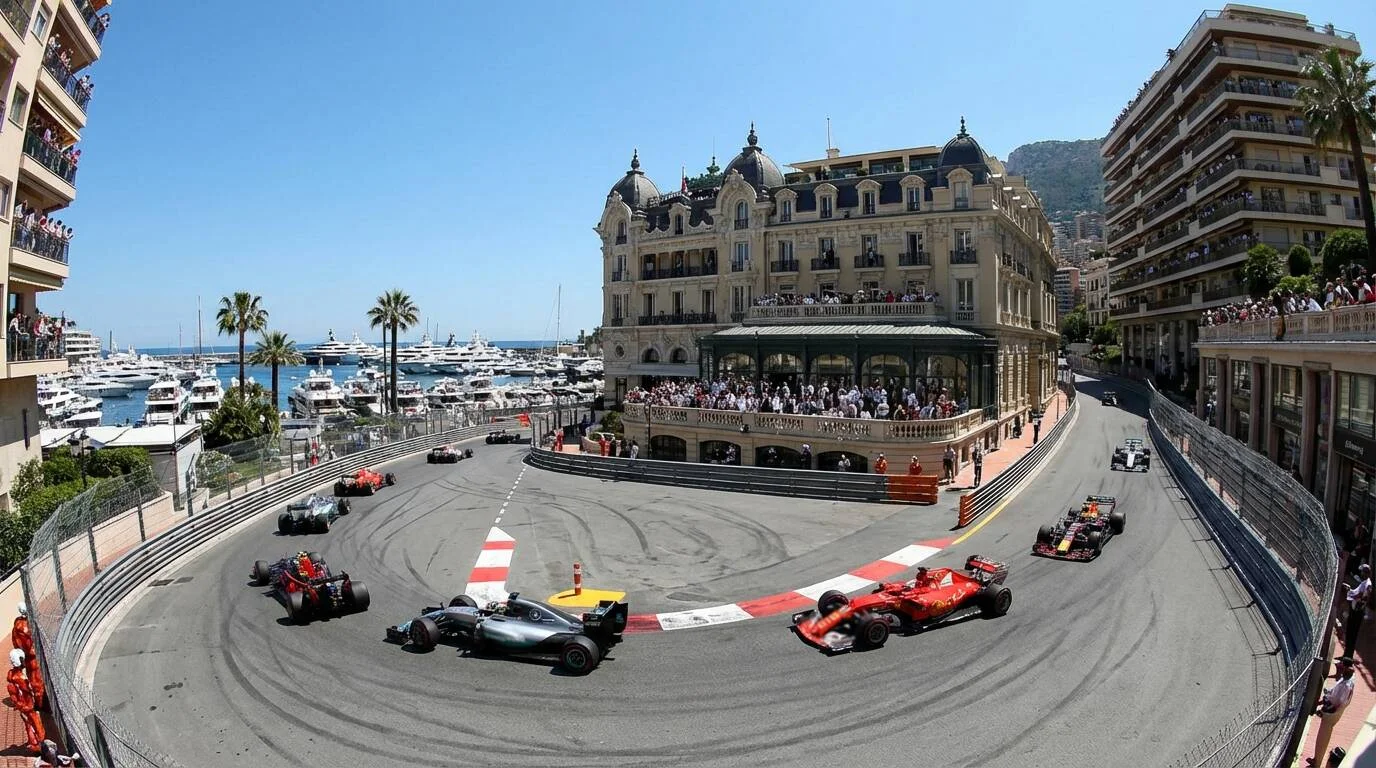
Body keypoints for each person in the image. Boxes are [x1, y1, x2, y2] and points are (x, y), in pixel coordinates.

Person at [1310, 657, 1357, 766]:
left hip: (1331, 713)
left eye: (1341, 666)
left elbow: (1336, 702)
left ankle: (1317, 763)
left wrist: (1324, 707)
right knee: (1321, 737)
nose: (1339, 668)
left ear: (1345, 667)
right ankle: (1316, 759)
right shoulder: (1347, 677)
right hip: (1331, 711)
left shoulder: (1346, 684)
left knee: (1322, 738)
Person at [7, 649, 42, 754]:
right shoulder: (19, 678)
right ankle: (38, 746)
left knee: (29, 725)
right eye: (22, 660)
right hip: (27, 707)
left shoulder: (14, 675)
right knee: (36, 726)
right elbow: (27, 692)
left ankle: (34, 743)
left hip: (24, 706)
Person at [11, 603, 42, 711]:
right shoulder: (28, 626)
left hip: (27, 656)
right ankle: (41, 703)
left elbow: (15, 640)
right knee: (37, 680)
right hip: (33, 655)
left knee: (33, 678)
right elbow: (32, 642)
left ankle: (38, 701)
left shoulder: (17, 623)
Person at [1344, 564, 1372, 654]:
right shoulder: (1363, 583)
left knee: (1352, 634)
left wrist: (1352, 595)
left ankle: (1347, 660)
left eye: (1362, 572)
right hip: (1355, 609)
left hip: (1357, 612)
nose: (1360, 573)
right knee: (1349, 633)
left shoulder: (1368, 584)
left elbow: (1363, 597)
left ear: (1366, 573)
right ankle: (1345, 656)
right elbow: (1357, 593)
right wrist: (1349, 590)